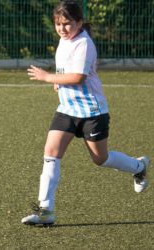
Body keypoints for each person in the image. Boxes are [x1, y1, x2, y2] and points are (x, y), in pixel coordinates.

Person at [21, 0, 150, 226]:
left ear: (79, 22)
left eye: (67, 24)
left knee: (101, 159)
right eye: (58, 24)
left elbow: (79, 77)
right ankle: (45, 210)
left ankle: (139, 167)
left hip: (92, 112)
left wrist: (49, 77)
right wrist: (58, 82)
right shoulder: (64, 41)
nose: (62, 29)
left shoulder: (84, 44)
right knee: (51, 152)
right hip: (67, 110)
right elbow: (67, 72)